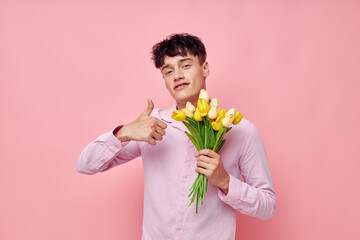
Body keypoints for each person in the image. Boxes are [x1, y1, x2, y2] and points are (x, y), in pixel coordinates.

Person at [76, 33, 276, 239]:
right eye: (168, 71)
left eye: (186, 65)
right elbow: (85, 165)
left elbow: (268, 205)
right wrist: (124, 133)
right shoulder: (152, 126)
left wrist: (225, 181)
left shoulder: (240, 129)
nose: (177, 75)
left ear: (205, 68)